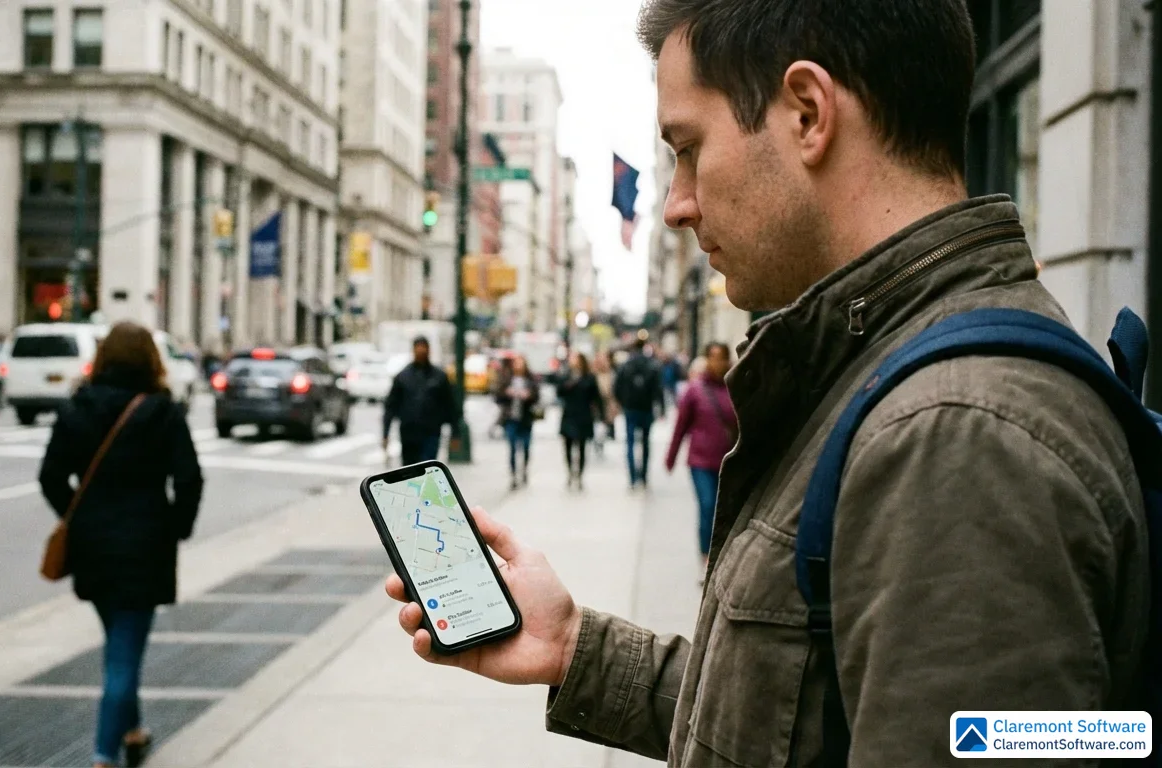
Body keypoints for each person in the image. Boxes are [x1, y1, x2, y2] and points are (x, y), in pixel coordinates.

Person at [381, 1, 1152, 764]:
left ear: (809, 114)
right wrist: (578, 648)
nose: (678, 204)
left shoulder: (957, 436)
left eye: (689, 148)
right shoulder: (885, 374)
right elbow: (805, 719)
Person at [39, 322, 203, 768]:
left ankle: (132, 731)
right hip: (145, 543)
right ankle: (102, 756)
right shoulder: (161, 410)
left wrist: (76, 515)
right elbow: (188, 478)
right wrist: (176, 526)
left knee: (119, 642)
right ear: (151, 359)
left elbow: (50, 475)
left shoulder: (78, 407)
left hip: (92, 544)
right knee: (123, 656)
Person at [665, 343, 737, 574]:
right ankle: (706, 558)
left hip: (729, 460)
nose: (718, 363)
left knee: (725, 510)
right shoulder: (695, 390)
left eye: (722, 358)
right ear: (706, 360)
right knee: (707, 507)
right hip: (701, 461)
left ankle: (723, 556)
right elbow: (681, 426)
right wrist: (671, 456)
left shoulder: (735, 386)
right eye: (713, 358)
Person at [382, 336, 455, 466]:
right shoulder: (403, 376)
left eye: (424, 348)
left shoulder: (439, 376)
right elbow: (391, 406)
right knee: (410, 469)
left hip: (431, 431)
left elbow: (449, 405)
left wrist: (455, 433)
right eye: (418, 348)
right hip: (409, 432)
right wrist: (385, 433)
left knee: (428, 467)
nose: (421, 351)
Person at [612, 338, 663, 489]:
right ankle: (644, 476)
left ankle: (633, 477)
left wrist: (623, 403)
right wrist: (660, 407)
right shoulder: (652, 365)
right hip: (646, 408)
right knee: (646, 443)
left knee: (630, 443)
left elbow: (617, 387)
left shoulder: (626, 365)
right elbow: (658, 388)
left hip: (631, 408)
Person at [556, 352, 604, 491]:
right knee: (568, 447)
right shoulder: (566, 376)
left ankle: (580, 475)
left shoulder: (589, 377)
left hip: (584, 416)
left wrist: (601, 416)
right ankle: (571, 473)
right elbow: (559, 392)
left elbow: (596, 397)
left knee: (582, 447)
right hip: (569, 415)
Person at [494, 356, 540, 490]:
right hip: (510, 419)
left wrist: (528, 395)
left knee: (525, 447)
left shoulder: (530, 380)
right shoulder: (507, 379)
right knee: (512, 447)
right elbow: (497, 395)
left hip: (526, 419)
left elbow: (537, 396)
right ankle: (513, 474)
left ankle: (524, 470)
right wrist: (507, 393)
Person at [591, 351, 619, 456]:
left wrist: (614, 404)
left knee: (603, 425)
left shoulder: (611, 373)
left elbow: (614, 390)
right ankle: (597, 442)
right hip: (595, 403)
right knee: (597, 425)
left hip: (606, 403)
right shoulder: (593, 374)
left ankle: (600, 442)